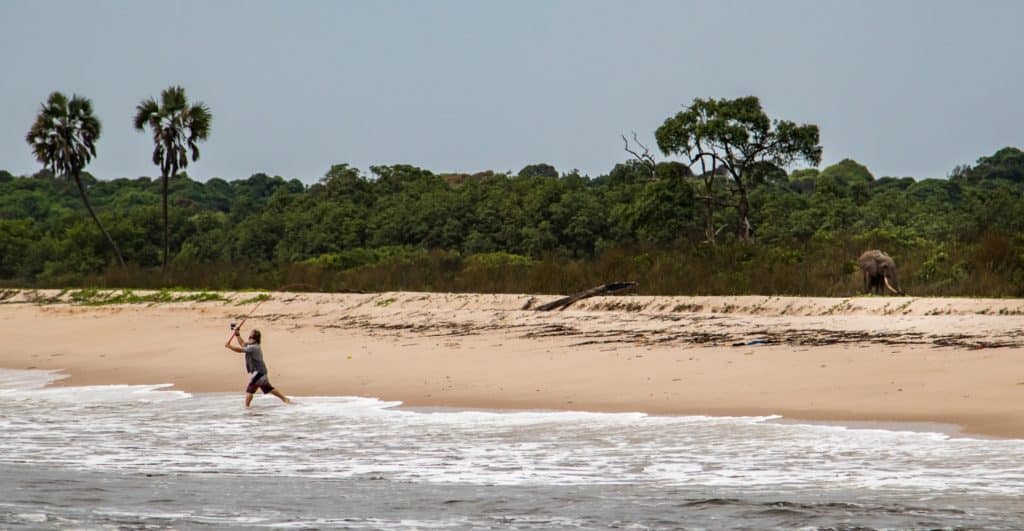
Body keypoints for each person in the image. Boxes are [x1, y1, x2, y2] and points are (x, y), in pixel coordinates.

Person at [224, 327, 291, 407]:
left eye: (251, 337)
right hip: (262, 372)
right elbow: (242, 344)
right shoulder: (251, 345)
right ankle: (285, 399)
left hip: (259, 372)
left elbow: (240, 350)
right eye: (249, 337)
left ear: (255, 339)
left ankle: (247, 408)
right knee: (268, 388)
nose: (249, 338)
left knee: (250, 390)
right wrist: (237, 335)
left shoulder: (254, 347)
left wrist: (229, 346)